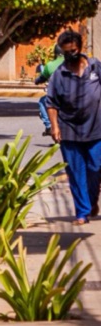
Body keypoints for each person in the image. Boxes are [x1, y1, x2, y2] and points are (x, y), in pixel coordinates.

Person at [46, 30, 101, 224]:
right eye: (66, 52)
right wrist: (54, 127)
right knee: (76, 173)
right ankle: (82, 213)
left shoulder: (95, 67)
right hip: (69, 130)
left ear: (80, 47)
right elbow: (51, 103)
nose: (70, 55)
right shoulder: (59, 75)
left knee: (96, 167)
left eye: (73, 50)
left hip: (96, 128)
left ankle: (92, 201)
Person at [35, 47, 63, 136]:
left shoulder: (50, 65)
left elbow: (41, 78)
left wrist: (37, 81)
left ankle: (48, 126)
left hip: (57, 95)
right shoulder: (73, 63)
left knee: (42, 101)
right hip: (74, 94)